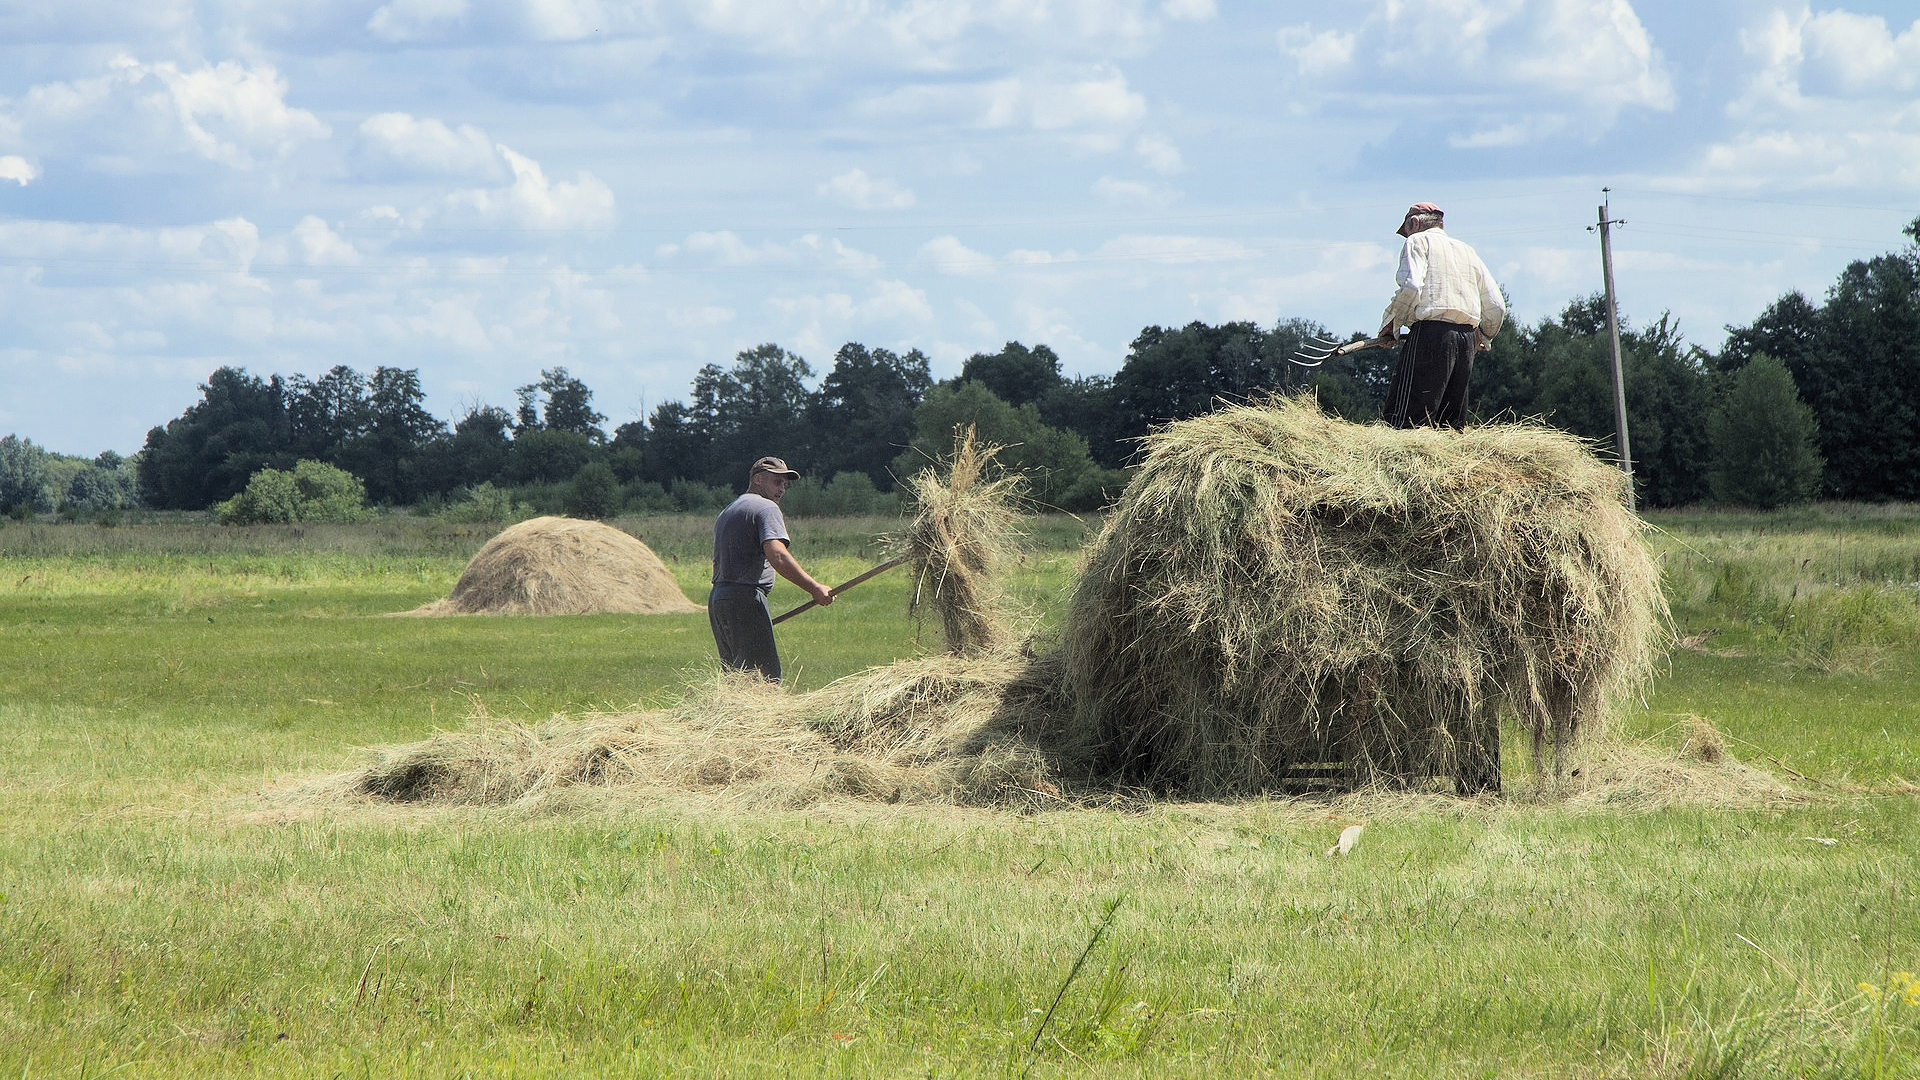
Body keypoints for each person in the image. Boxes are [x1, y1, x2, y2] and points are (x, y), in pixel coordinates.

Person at [1376, 202, 1505, 430]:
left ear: (1414, 223)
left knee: (1407, 421)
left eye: (1406, 231)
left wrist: (1392, 324)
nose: (1406, 236)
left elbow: (1412, 287)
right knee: (1449, 426)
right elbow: (1496, 305)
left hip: (1430, 337)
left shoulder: (1417, 241)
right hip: (1466, 341)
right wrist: (1482, 336)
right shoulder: (1467, 250)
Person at [708, 455, 834, 682]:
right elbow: (777, 555)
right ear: (758, 480)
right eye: (777, 482)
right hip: (745, 599)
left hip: (719, 599)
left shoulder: (729, 510)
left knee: (736, 680)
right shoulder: (766, 508)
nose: (782, 489)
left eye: (785, 483)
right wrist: (814, 587)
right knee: (763, 681)